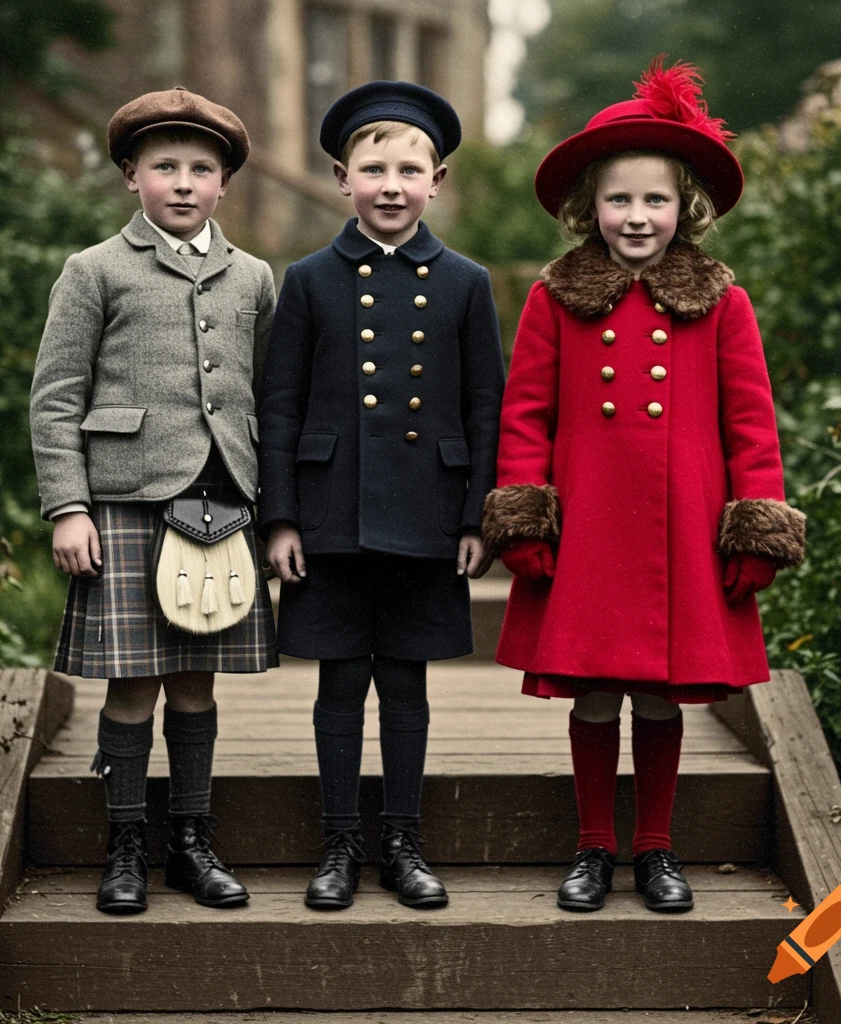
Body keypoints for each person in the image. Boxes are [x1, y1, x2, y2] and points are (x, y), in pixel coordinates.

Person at [481, 59, 806, 914]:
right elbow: (526, 414)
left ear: (684, 207)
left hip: (683, 528)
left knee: (662, 694)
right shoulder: (555, 299)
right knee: (594, 691)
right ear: (588, 206)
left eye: (655, 199)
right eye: (619, 199)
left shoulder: (722, 302)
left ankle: (657, 849)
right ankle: (593, 847)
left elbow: (751, 422)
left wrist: (755, 528)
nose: (636, 215)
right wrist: (525, 514)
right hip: (589, 526)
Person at [30, 86, 278, 915]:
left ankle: (192, 842)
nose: (183, 182)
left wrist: (274, 506)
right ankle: (126, 845)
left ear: (223, 183)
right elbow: (56, 398)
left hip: (221, 501)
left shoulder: (254, 277)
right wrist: (68, 506)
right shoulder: (94, 270)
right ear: (130, 175)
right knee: (133, 683)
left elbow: (269, 394)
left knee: (197, 684)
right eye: (164, 166)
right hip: (124, 501)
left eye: (201, 169)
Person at [258, 81, 505, 910]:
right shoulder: (308, 280)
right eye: (373, 170)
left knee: (405, 682)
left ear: (437, 181)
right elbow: (280, 405)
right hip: (330, 513)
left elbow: (485, 406)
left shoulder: (466, 283)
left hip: (427, 513)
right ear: (342, 179)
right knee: (337, 683)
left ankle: (403, 842)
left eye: (409, 170)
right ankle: (338, 845)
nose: (391, 187)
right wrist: (281, 518)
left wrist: (477, 517)